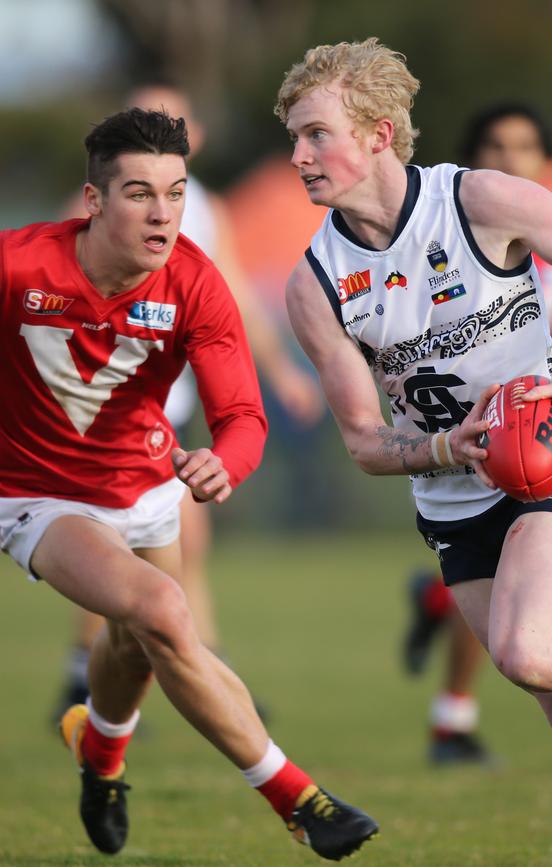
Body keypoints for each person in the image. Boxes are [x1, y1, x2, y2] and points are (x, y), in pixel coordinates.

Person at [276, 38, 552, 805]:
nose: (298, 156)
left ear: (378, 134)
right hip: (454, 506)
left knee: (528, 650)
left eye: (317, 134)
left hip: (550, 463)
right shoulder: (315, 285)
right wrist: (449, 444)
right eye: (293, 139)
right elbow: (362, 441)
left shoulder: (477, 200)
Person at [0, 107, 377, 859]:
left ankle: (99, 755)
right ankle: (298, 797)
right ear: (93, 201)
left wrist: (224, 461)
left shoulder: (196, 283)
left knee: (140, 641)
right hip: (34, 494)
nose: (163, 212)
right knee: (165, 609)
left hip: (146, 489)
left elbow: (241, 415)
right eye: (139, 192)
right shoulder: (18, 268)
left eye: (175, 192)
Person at [51, 84, 324, 720]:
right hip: (103, 401)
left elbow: (234, 297)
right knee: (140, 538)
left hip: (166, 398)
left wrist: (281, 367)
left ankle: (123, 676)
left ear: (193, 133)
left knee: (154, 539)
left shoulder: (204, 209)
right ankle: (189, 671)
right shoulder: (99, 201)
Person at [401, 101, 552, 765]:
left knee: (530, 639)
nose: (509, 158)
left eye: (524, 146)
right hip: (462, 463)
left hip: (538, 450)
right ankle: (451, 701)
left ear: (544, 161)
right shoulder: (444, 252)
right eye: (495, 146)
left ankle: (452, 707)